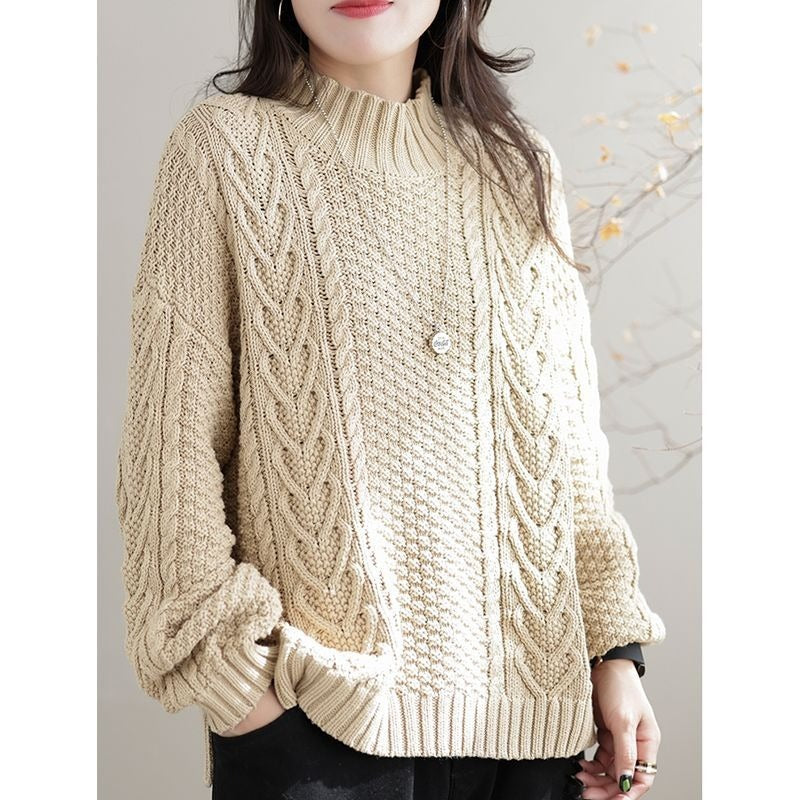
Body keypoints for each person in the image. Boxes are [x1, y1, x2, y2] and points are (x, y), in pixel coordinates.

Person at [114, 1, 667, 798]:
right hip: (319, 730)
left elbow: (569, 458)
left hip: (533, 736)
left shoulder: (519, 171)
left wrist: (615, 658)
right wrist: (244, 695)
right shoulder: (225, 150)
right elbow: (171, 450)